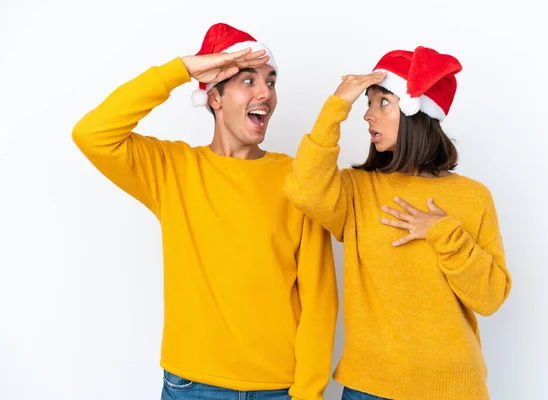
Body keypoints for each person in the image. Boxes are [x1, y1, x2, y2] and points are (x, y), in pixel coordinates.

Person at [72, 22, 338, 400]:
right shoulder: (173, 169)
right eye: (249, 80)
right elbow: (92, 133)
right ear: (214, 97)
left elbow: (319, 297)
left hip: (277, 389)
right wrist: (182, 70)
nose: (266, 92)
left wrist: (308, 393)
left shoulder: (297, 178)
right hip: (190, 386)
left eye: (271, 81)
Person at [283, 46, 512, 400]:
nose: (369, 116)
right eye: (367, 103)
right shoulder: (358, 189)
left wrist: (443, 232)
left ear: (414, 112)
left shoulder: (473, 196)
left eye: (383, 103)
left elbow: (490, 298)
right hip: (368, 389)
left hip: (453, 389)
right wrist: (336, 106)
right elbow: (303, 189)